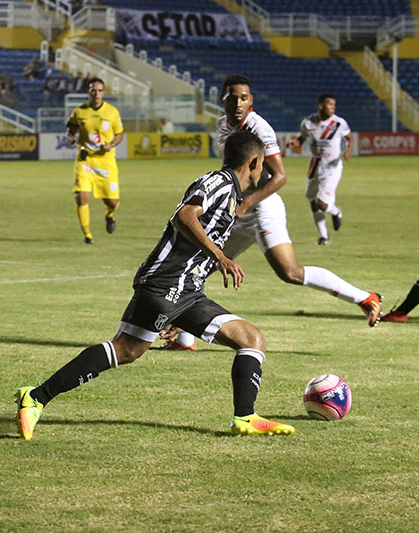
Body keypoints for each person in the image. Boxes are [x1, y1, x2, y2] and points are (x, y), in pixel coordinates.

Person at [15, 130, 295, 440]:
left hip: (188, 291)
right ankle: (36, 397)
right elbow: (184, 216)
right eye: (262, 164)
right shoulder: (218, 183)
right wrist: (219, 256)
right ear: (254, 162)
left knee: (251, 339)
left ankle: (245, 417)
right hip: (165, 282)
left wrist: (180, 313)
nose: (263, 171)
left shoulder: (232, 196)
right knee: (125, 349)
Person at [166, 75, 381, 351]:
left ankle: (365, 298)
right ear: (222, 99)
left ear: (251, 100)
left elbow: (280, 176)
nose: (238, 103)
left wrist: (245, 204)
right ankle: (185, 340)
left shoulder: (258, 127)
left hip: (261, 208)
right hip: (236, 210)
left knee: (290, 272)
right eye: (232, 98)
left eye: (244, 98)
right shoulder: (222, 125)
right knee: (201, 265)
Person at [286, 93, 352, 245]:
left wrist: (348, 150)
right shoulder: (308, 123)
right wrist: (294, 143)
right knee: (312, 202)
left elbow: (350, 137)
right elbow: (301, 139)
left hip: (332, 167)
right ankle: (324, 236)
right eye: (330, 105)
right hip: (315, 165)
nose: (333, 108)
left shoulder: (339, 123)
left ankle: (336, 211)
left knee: (321, 202)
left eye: (334, 105)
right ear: (321, 106)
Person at [66, 77, 124, 244]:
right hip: (85, 160)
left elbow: (119, 134)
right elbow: (71, 130)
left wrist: (111, 144)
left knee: (112, 202)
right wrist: (71, 138)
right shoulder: (79, 111)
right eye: (93, 90)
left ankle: (109, 214)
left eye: (99, 90)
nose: (96, 93)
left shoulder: (112, 112)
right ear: (88, 91)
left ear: (103, 92)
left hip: (106, 162)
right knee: (81, 197)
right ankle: (87, 235)